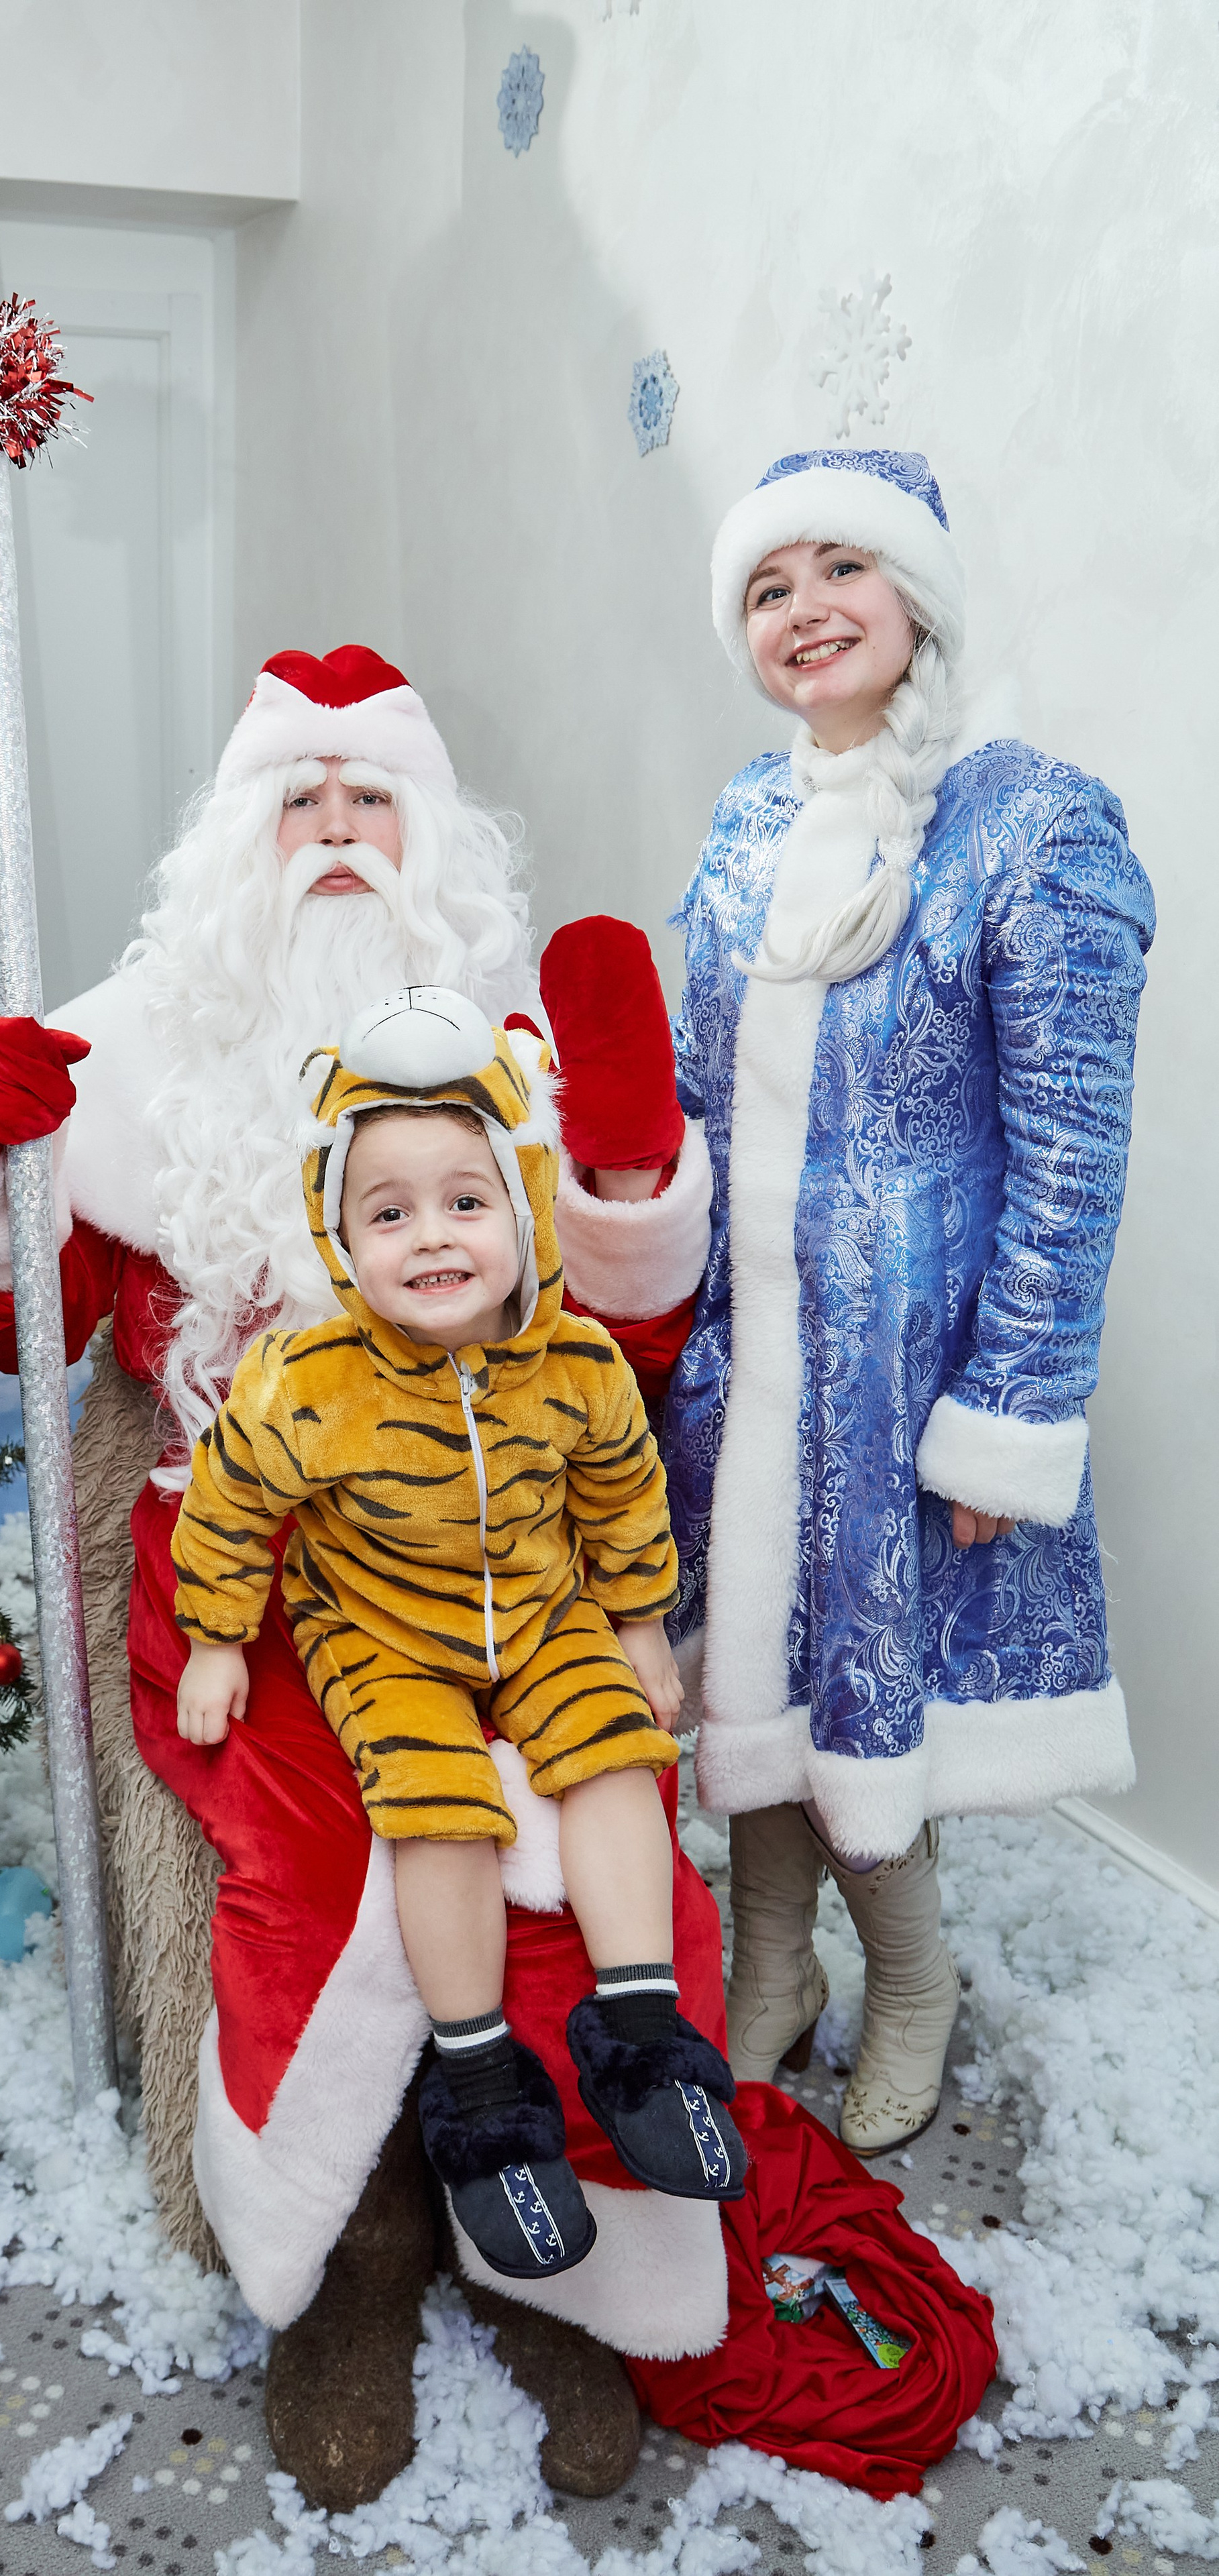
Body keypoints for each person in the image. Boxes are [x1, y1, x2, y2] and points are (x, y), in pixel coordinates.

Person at [0, 647, 720, 2506]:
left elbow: (631, 1362)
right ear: (235, 846)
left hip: (513, 1549)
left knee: (601, 1835)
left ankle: (568, 2267)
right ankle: (348, 2269)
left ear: (433, 843)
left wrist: (619, 1169)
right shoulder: (146, 1082)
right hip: (245, 1567)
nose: (338, 836)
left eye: (374, 802)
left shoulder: (507, 1066)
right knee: (314, 1857)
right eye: (301, 801)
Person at [661, 449, 1153, 2155]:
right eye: (765, 588)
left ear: (914, 597)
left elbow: (1071, 1155)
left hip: (905, 1368)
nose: (802, 614)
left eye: (835, 574)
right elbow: (693, 1088)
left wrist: (1003, 1415)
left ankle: (915, 1982)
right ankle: (770, 1965)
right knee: (749, 1672)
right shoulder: (745, 818)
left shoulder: (1026, 822)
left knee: (872, 1695)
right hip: (750, 1355)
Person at [172, 990, 747, 2282]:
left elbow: (622, 1496)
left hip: (539, 1610)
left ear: (527, 1211)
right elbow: (228, 1498)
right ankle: (483, 2080)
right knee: (436, 1803)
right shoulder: (311, 1382)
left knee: (610, 1751)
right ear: (341, 1235)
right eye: (390, 1213)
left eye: (465, 1202)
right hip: (382, 1632)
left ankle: (643, 2034)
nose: (430, 1237)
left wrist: (643, 1630)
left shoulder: (579, 1368)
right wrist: (218, 1637)